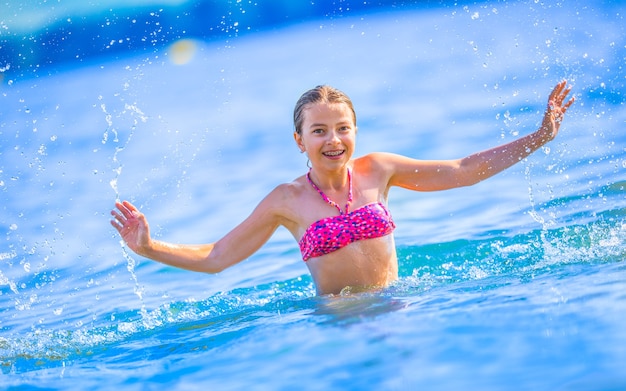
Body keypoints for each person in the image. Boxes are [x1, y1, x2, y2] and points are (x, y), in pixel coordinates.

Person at [111, 81, 575, 295]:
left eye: (343, 128)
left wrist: (538, 137)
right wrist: (149, 247)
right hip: (337, 325)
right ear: (300, 140)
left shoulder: (379, 170)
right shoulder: (285, 200)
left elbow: (461, 169)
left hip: (398, 303)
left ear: (355, 130)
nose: (333, 140)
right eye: (319, 131)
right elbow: (216, 257)